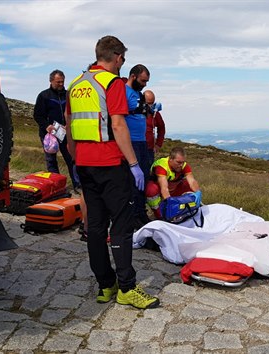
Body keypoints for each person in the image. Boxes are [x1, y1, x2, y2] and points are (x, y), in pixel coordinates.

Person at [65, 35, 159, 309]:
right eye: (123, 59)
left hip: (84, 163)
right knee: (120, 225)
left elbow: (70, 126)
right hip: (110, 164)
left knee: (94, 227)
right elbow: (118, 126)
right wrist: (133, 164)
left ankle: (105, 285)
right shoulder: (111, 83)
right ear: (117, 57)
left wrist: (75, 160)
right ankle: (127, 288)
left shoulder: (76, 84)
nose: (122, 64)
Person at [33, 69, 79, 191]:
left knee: (71, 159)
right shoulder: (44, 96)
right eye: (58, 82)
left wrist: (68, 125)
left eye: (62, 82)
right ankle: (57, 188)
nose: (60, 84)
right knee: (51, 161)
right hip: (49, 135)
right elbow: (37, 115)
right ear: (51, 81)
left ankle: (77, 185)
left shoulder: (68, 95)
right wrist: (47, 126)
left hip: (65, 133)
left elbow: (73, 113)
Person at [124, 64, 151, 229]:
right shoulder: (124, 93)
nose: (145, 84)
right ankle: (132, 215)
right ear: (133, 76)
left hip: (142, 141)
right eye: (143, 81)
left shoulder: (138, 94)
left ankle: (141, 212)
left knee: (144, 179)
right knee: (134, 181)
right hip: (131, 141)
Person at [145, 146, 200, 219]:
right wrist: (169, 204)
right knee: (151, 190)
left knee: (188, 185)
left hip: (172, 188)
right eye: (178, 162)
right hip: (160, 190)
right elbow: (164, 188)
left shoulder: (183, 165)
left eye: (183, 162)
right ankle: (160, 214)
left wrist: (198, 192)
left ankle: (185, 208)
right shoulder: (161, 166)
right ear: (170, 159)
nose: (181, 165)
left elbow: (192, 181)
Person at [144, 90, 166, 168]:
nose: (151, 106)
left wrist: (158, 144)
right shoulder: (136, 112)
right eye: (149, 103)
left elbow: (162, 128)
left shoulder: (155, 114)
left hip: (149, 150)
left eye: (152, 103)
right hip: (135, 148)